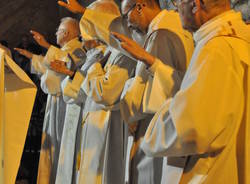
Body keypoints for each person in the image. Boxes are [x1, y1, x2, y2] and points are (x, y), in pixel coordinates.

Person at [117, 0, 250, 183]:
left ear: (195, 5)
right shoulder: (236, 37)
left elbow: (190, 126)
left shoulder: (216, 48)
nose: (175, 7)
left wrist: (154, 129)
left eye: (178, 2)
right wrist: (153, 63)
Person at [15, 17, 84, 184]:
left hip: (65, 105)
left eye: (58, 30)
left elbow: (67, 64)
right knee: (52, 147)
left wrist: (46, 46)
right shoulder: (66, 49)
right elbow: (50, 67)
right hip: (56, 103)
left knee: (59, 148)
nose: (55, 33)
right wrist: (32, 56)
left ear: (66, 33)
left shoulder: (76, 49)